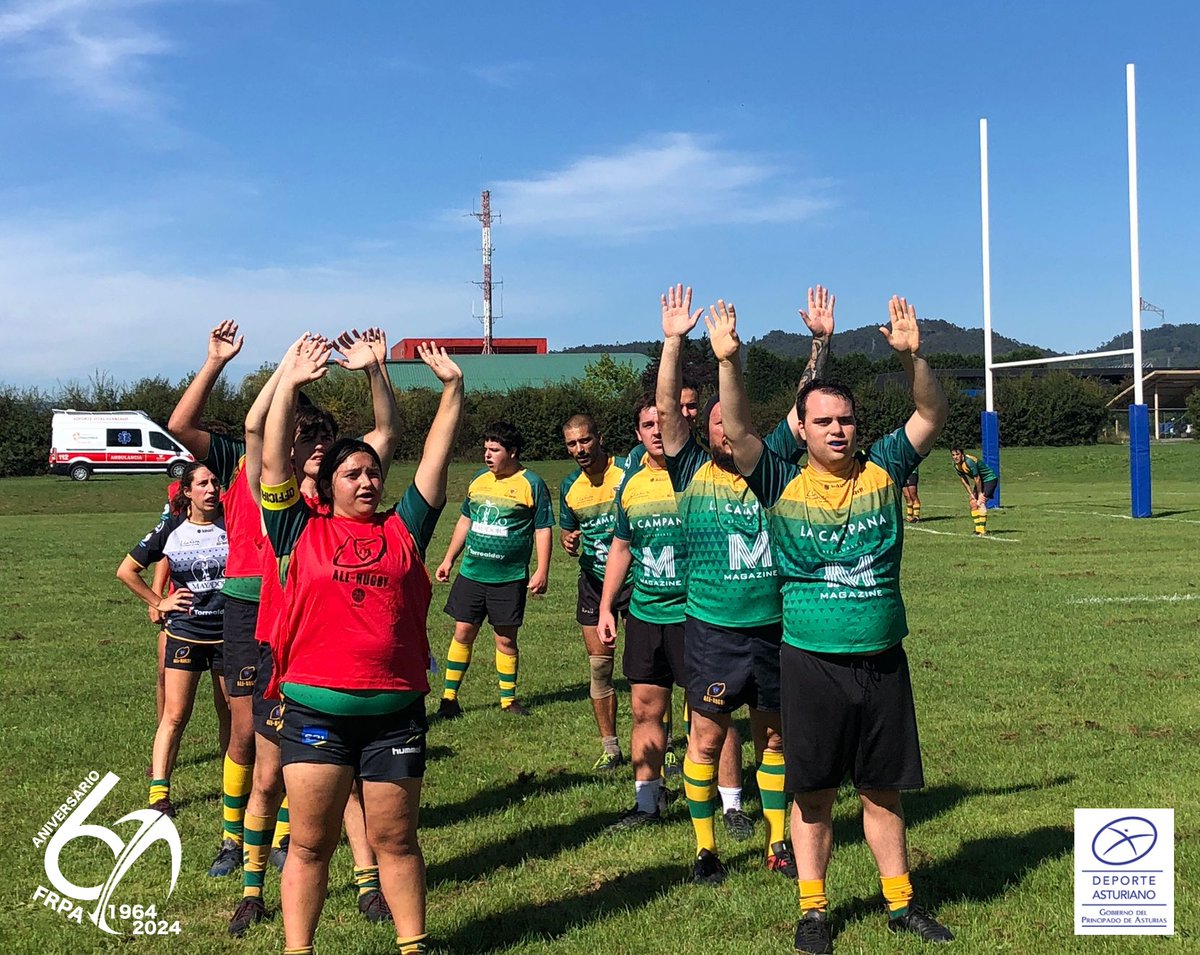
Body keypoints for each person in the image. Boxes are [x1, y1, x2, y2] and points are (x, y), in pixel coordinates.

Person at [711, 294, 954, 952]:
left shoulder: (885, 468)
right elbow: (736, 432)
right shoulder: (779, 481)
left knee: (883, 789)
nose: (838, 429)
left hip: (881, 658)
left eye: (846, 418)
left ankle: (900, 904)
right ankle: (814, 910)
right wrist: (729, 363)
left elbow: (932, 411)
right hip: (811, 660)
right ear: (806, 428)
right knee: (813, 793)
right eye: (824, 421)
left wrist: (913, 359)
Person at [260, 336, 461, 955]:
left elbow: (432, 456)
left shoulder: (406, 530)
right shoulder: (297, 528)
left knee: (397, 842)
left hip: (394, 715)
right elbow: (271, 465)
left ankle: (413, 945)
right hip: (316, 714)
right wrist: (287, 384)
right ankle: (300, 949)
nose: (369, 480)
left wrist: (453, 390)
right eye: (354, 472)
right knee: (312, 845)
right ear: (327, 481)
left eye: (374, 472)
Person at [657, 283, 834, 886]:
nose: (725, 433)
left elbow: (808, 399)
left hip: (774, 628)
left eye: (730, 424)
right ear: (702, 431)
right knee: (706, 739)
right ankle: (705, 846)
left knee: (775, 738)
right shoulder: (689, 471)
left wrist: (820, 342)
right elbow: (663, 411)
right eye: (713, 424)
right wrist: (673, 342)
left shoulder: (771, 464)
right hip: (711, 630)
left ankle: (778, 841)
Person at [228, 330, 403, 936]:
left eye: (327, 448)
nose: (319, 454)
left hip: (335, 667)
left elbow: (384, 437)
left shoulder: (351, 511)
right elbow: (260, 439)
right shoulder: (284, 514)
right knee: (267, 776)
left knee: (352, 785)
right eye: (312, 445)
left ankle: (368, 885)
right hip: (285, 663)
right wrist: (288, 377)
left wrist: (376, 370)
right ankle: (252, 888)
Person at [598, 394, 752, 839]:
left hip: (699, 615)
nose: (656, 433)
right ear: (639, 434)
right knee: (647, 709)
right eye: (648, 426)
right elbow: (622, 547)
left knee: (713, 712)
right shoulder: (631, 485)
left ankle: (732, 805)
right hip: (647, 614)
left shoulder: (702, 475)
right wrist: (608, 605)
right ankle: (648, 802)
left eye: (661, 424)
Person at [117, 463, 229, 826]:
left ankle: (233, 790)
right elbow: (126, 570)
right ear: (187, 492)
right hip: (186, 633)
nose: (211, 489)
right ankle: (159, 795)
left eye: (215, 482)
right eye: (202, 484)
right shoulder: (170, 528)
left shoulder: (235, 523)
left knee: (228, 714)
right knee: (175, 714)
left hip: (229, 634)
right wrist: (158, 601)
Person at [435, 422, 554, 718]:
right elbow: (465, 521)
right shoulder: (478, 480)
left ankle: (507, 700)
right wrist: (449, 558)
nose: (487, 455)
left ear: (512, 452)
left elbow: (543, 529)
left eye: (495, 450)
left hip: (508, 578)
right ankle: (449, 698)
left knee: (505, 638)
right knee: (463, 631)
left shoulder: (532, 484)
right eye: (485, 449)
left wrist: (542, 570)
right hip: (472, 574)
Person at [558, 414, 630, 770]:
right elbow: (567, 531)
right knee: (600, 668)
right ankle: (611, 748)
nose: (579, 449)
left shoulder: (627, 472)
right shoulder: (570, 486)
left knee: (652, 672)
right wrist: (568, 541)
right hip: (593, 581)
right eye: (572, 444)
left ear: (599, 438)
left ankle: (664, 746)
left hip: (636, 579)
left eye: (584, 441)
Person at [950, 448, 998, 535]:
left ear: (962, 454)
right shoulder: (956, 465)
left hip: (989, 479)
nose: (955, 457)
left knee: (980, 502)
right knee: (972, 503)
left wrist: (979, 494)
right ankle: (978, 530)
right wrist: (971, 494)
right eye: (953, 455)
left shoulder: (969, 462)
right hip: (980, 481)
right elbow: (963, 479)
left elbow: (977, 478)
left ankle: (982, 531)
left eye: (957, 454)